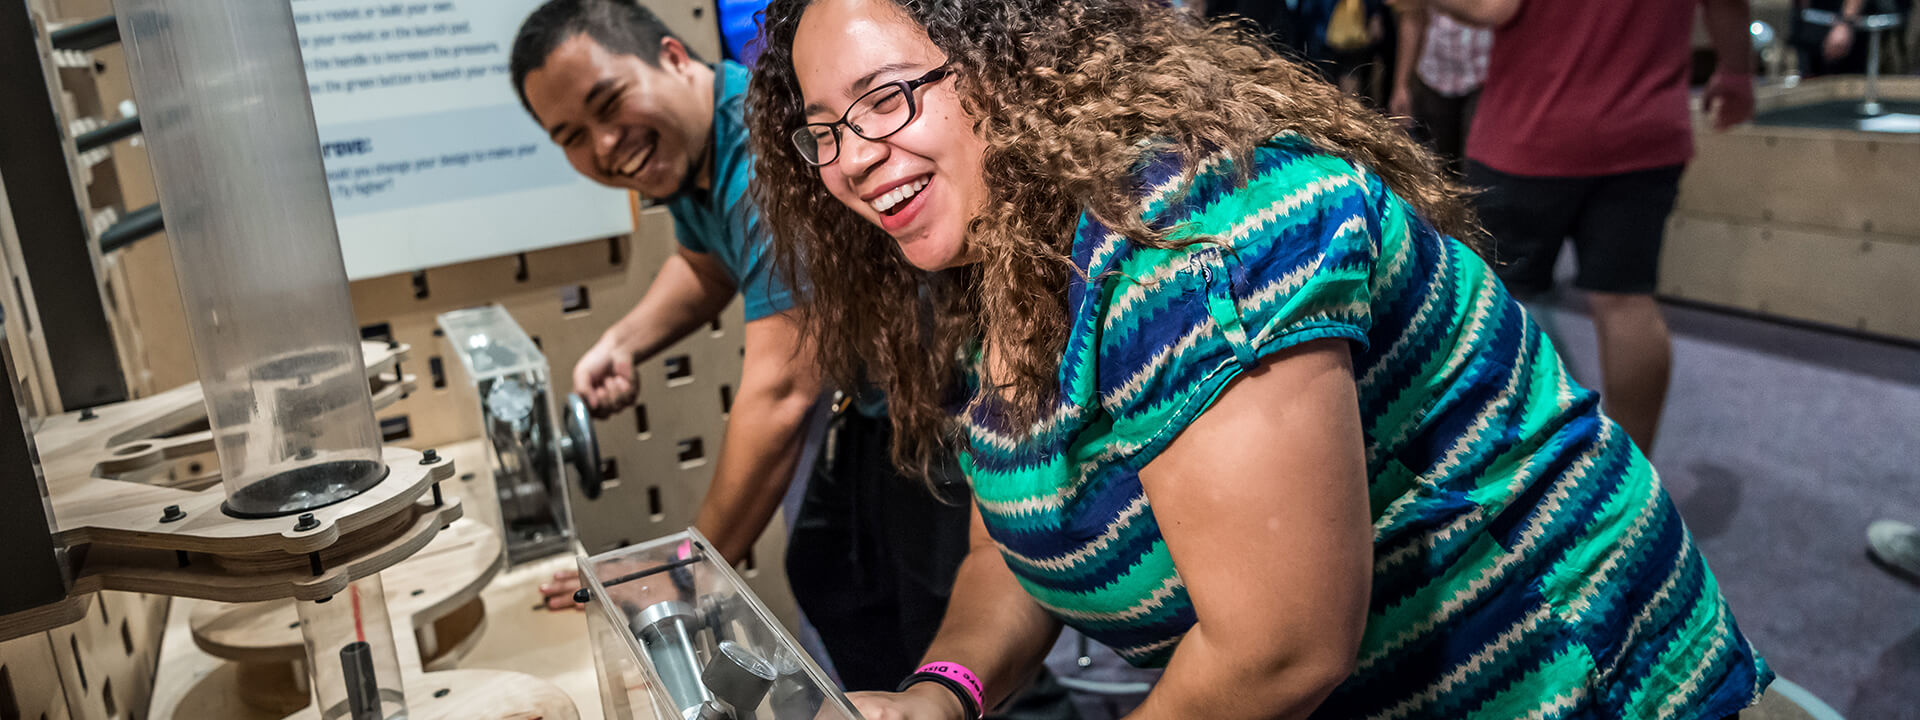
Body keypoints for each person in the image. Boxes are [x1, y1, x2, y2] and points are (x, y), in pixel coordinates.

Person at [745, 0, 1773, 717]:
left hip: (1571, 682)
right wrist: (947, 693)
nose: (848, 159)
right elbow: (1005, 548)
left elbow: (1279, 652)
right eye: (824, 130)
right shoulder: (997, 260)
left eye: (887, 99)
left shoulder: (1194, 232)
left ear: (1011, 61)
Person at [507, 3, 1079, 715]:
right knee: (833, 573)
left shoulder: (752, 155)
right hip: (882, 402)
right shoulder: (693, 156)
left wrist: (675, 576)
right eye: (572, 137)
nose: (605, 142)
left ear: (674, 58)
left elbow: (781, 391)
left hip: (951, 398)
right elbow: (708, 260)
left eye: (609, 102)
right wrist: (623, 342)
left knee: (951, 619)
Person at [1418, 0, 1755, 453]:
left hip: (1532, 128)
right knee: (1626, 300)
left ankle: (1493, 470)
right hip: (1645, 128)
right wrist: (1736, 72)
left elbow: (1490, 7)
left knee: (1492, 302)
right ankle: (1632, 476)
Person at [1388, 4, 1489, 174]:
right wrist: (1401, 85)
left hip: (1483, 80)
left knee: (1476, 169)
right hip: (1433, 77)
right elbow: (1412, 19)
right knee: (1440, 168)